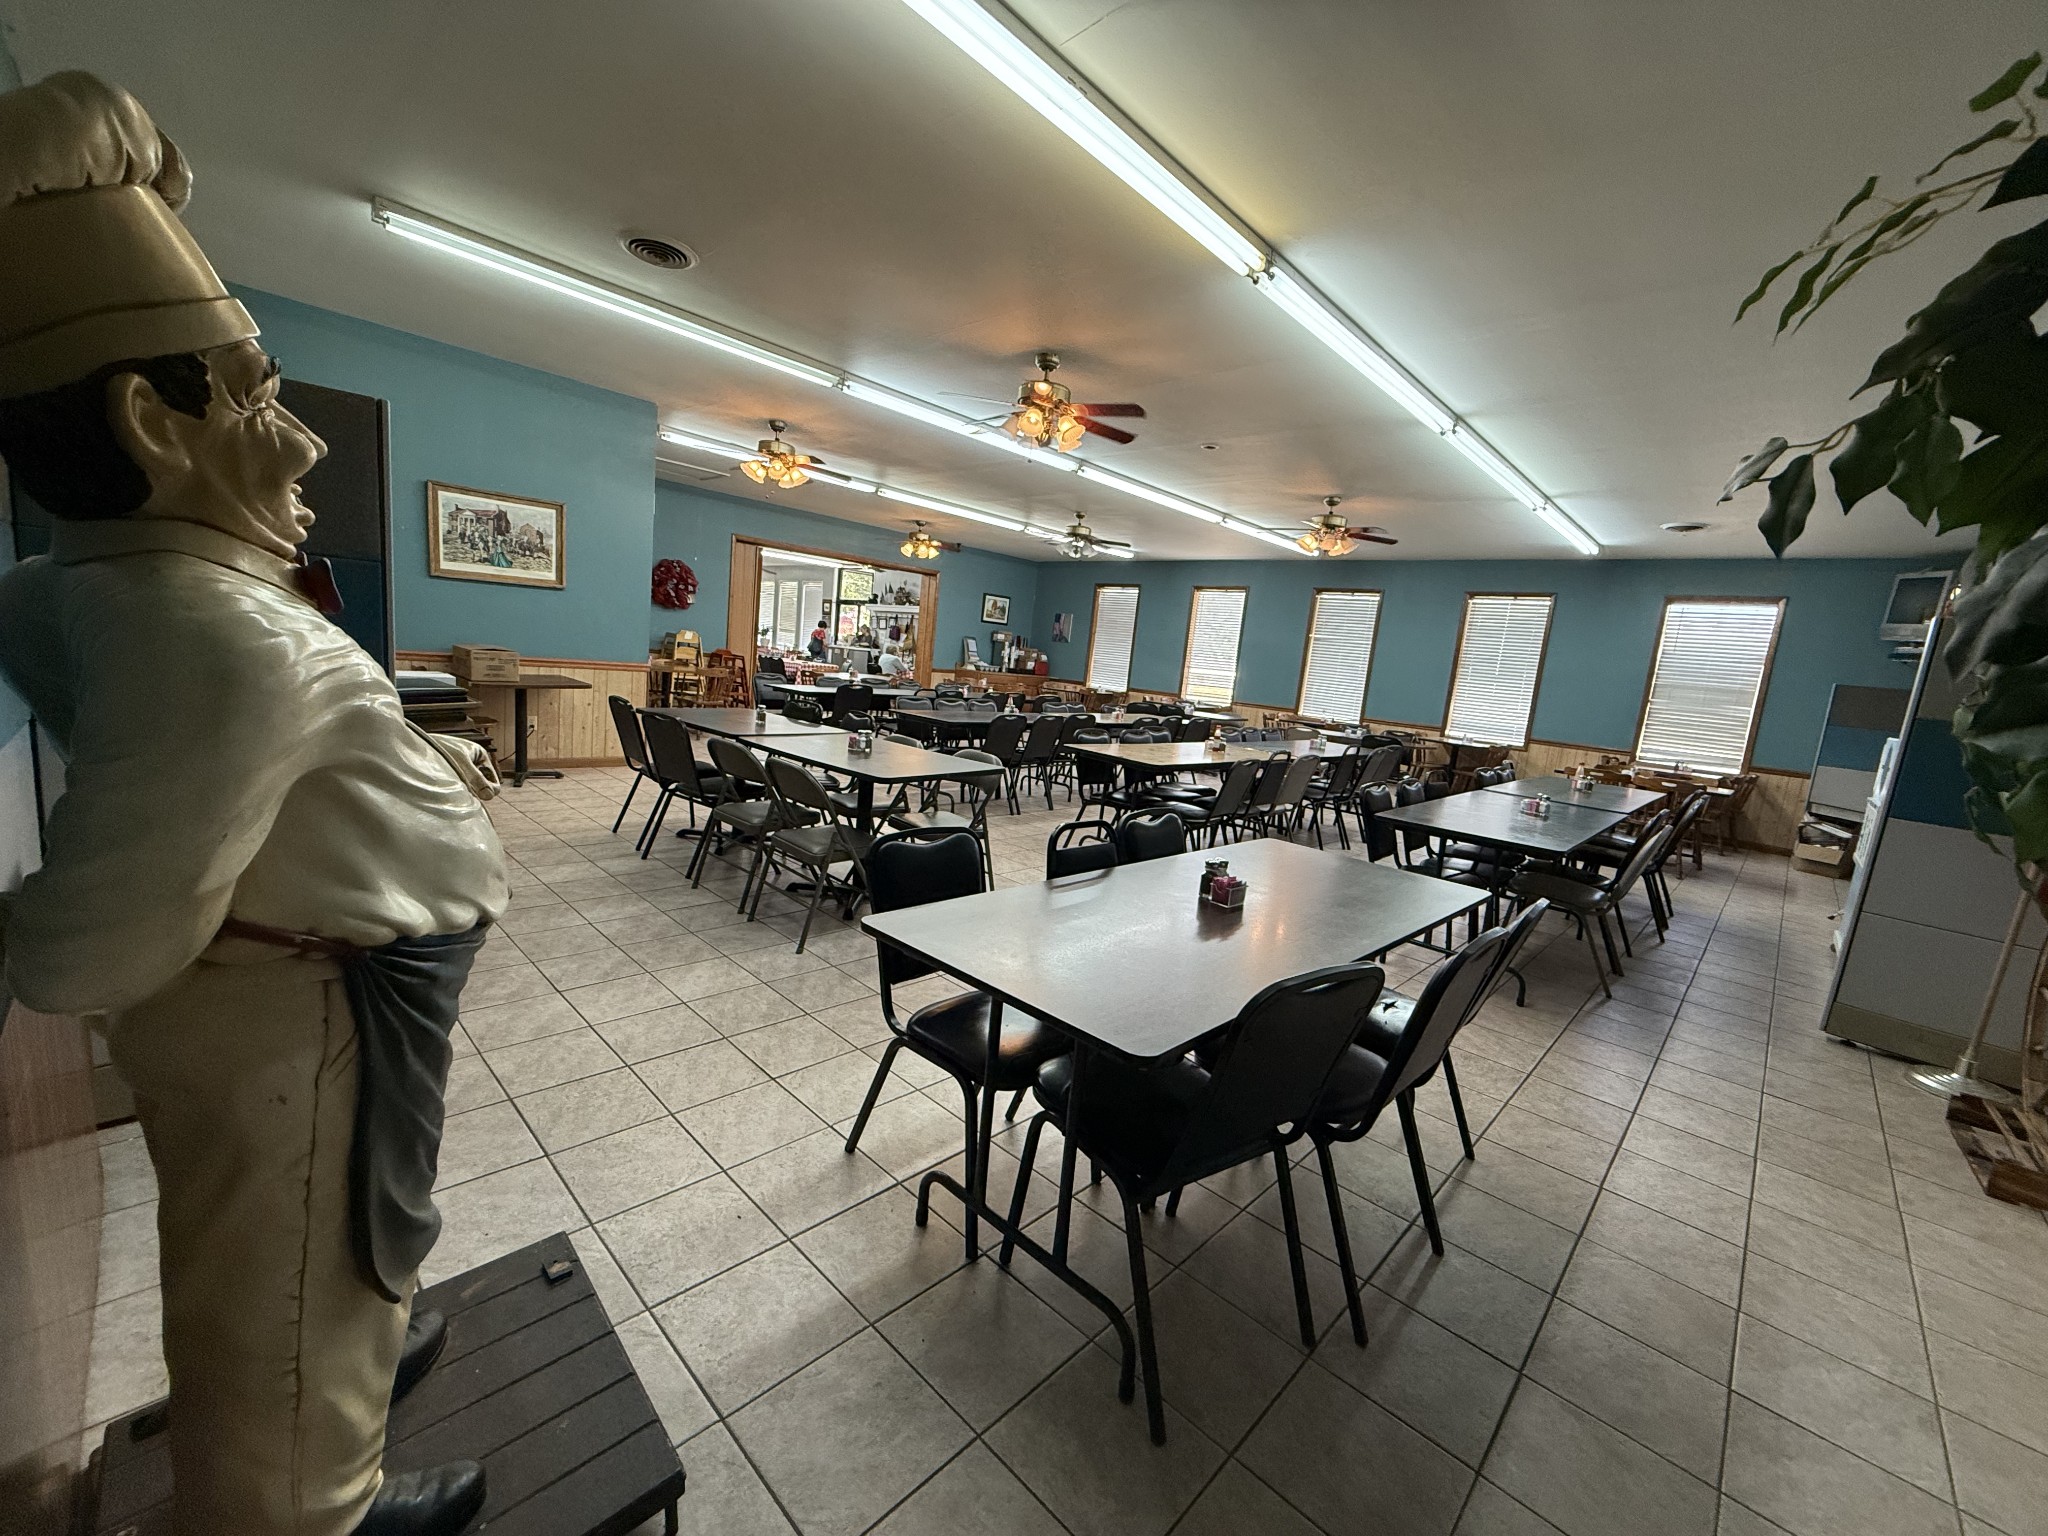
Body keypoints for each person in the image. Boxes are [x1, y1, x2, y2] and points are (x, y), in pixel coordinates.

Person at [0, 74, 504, 1536]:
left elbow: (212, 757)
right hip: (302, 1014)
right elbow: (80, 949)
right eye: (261, 394)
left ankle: (359, 1340)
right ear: (152, 429)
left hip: (317, 983)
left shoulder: (83, 588)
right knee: (278, 1281)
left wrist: (420, 769)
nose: (303, 445)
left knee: (304, 1262)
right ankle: (308, 1514)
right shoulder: (217, 634)